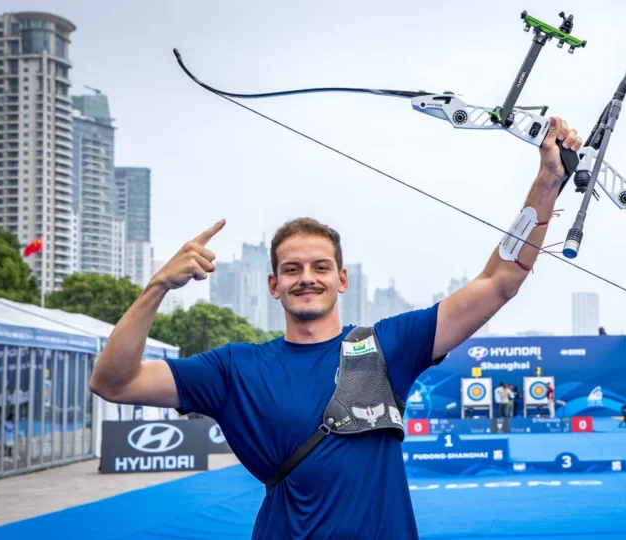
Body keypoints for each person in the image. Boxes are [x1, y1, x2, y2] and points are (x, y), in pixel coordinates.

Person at [88, 116, 584, 540]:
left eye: (321, 267)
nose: (307, 278)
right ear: (273, 284)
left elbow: (499, 281)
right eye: (292, 269)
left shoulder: (386, 347)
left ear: (342, 278)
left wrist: (546, 182)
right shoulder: (234, 369)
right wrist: (156, 286)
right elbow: (113, 382)